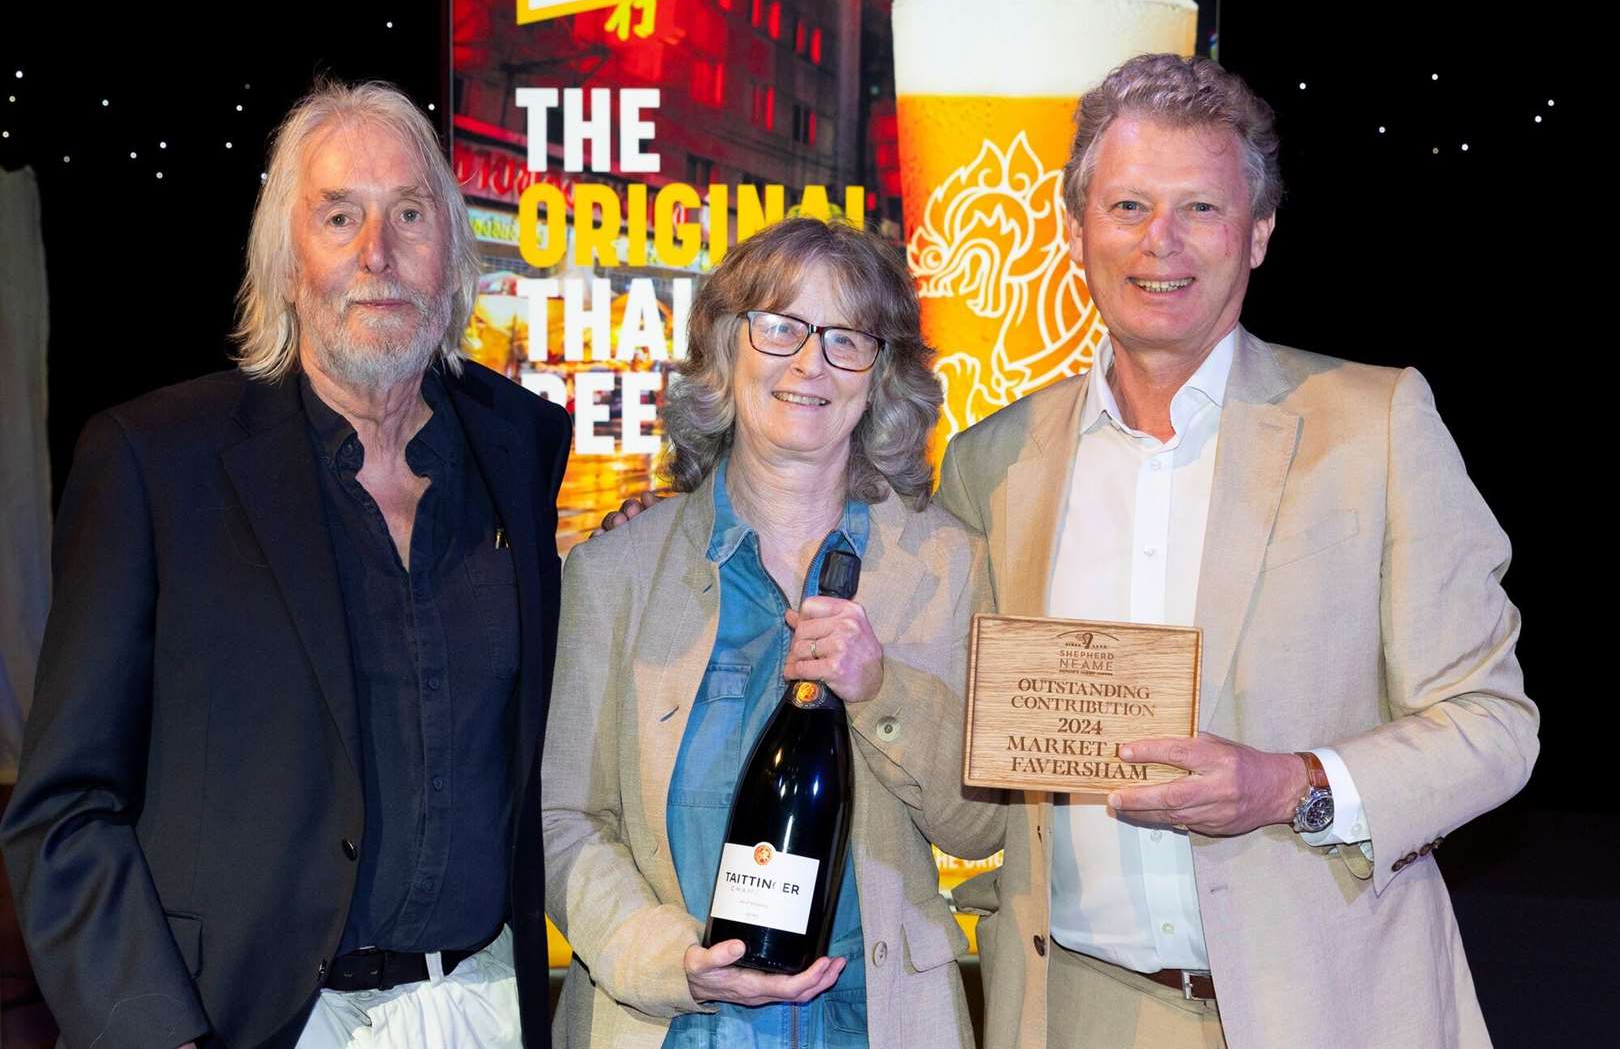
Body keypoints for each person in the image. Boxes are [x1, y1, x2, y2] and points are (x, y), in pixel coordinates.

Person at [935, 54, 1538, 1048]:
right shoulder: (990, 465)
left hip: (1325, 1009)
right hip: (1068, 1013)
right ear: (1072, 226)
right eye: (1126, 205)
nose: (1158, 243)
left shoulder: (1376, 427)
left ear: (1257, 234)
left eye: (1201, 209)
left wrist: (1291, 784)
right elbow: (966, 776)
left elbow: (1492, 727)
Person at [0, 80, 570, 1049]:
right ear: (286, 263)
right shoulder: (155, 466)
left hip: (484, 1007)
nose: (375, 253)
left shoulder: (518, 456)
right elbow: (62, 811)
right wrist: (152, 1033)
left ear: (453, 254)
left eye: (409, 214)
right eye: (338, 215)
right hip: (252, 1025)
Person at [543, 216, 1001, 1048]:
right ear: (725, 350)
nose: (809, 364)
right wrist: (668, 961)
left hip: (877, 1025)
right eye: (780, 327)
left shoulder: (951, 565)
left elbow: (985, 828)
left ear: (882, 373)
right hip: (673, 1026)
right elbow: (561, 820)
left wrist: (882, 692)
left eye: (846, 338)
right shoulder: (614, 572)